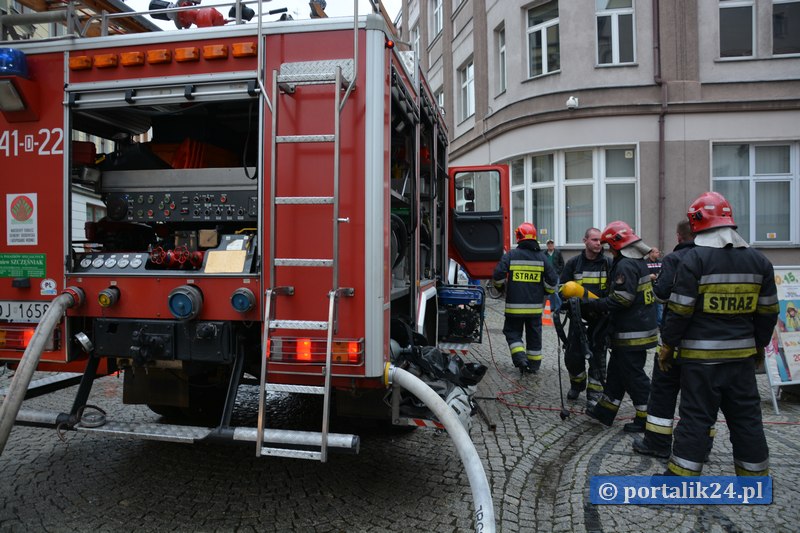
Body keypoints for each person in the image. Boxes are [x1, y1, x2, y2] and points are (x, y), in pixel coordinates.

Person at [660, 191, 778, 476]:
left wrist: (668, 345)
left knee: (696, 418)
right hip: (741, 360)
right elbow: (769, 312)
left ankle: (681, 480)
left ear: (697, 223)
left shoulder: (695, 260)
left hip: (701, 361)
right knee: (747, 418)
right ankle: (754, 478)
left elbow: (680, 310)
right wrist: (759, 345)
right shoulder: (760, 262)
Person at [632, 220, 707, 458]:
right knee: (700, 398)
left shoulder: (674, 260)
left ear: (678, 236)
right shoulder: (711, 257)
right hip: (704, 341)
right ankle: (702, 449)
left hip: (676, 337)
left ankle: (657, 443)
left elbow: (661, 293)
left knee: (663, 391)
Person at [581, 221, 658, 432]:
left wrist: (593, 304)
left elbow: (622, 299)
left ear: (616, 244)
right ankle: (604, 411)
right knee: (616, 373)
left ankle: (646, 418)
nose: (607, 250)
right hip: (638, 328)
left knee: (634, 376)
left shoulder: (625, 265)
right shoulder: (637, 261)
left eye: (608, 245)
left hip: (631, 333)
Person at [493, 222, 558, 375]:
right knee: (534, 335)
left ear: (519, 237)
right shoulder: (542, 258)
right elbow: (553, 281)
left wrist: (501, 288)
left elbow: (497, 276)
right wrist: (545, 291)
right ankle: (533, 366)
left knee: (512, 332)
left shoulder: (511, 255)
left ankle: (520, 358)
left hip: (514, 307)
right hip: (535, 309)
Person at [558, 228, 612, 406]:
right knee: (573, 356)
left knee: (598, 356)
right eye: (595, 240)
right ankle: (577, 384)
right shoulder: (573, 264)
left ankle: (594, 394)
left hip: (601, 318)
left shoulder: (608, 264)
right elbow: (561, 288)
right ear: (585, 241)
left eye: (600, 241)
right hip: (578, 318)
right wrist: (565, 299)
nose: (598, 243)